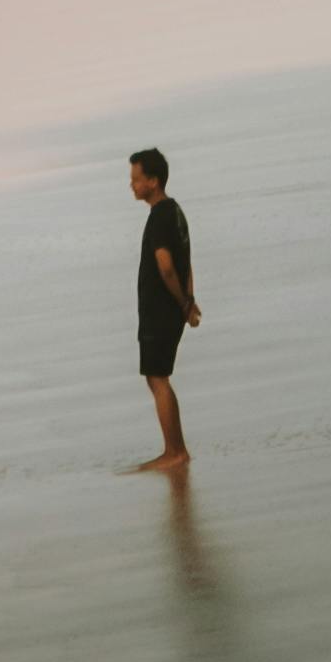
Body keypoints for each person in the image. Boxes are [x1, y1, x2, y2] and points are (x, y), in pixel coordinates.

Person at [128, 143, 200, 472]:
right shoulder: (176, 212)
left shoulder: (160, 217)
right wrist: (188, 302)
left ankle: (174, 451)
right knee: (158, 377)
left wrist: (183, 302)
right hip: (172, 308)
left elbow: (167, 265)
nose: (132, 184)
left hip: (160, 309)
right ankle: (175, 449)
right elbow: (188, 262)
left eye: (137, 179)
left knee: (158, 378)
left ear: (153, 181)